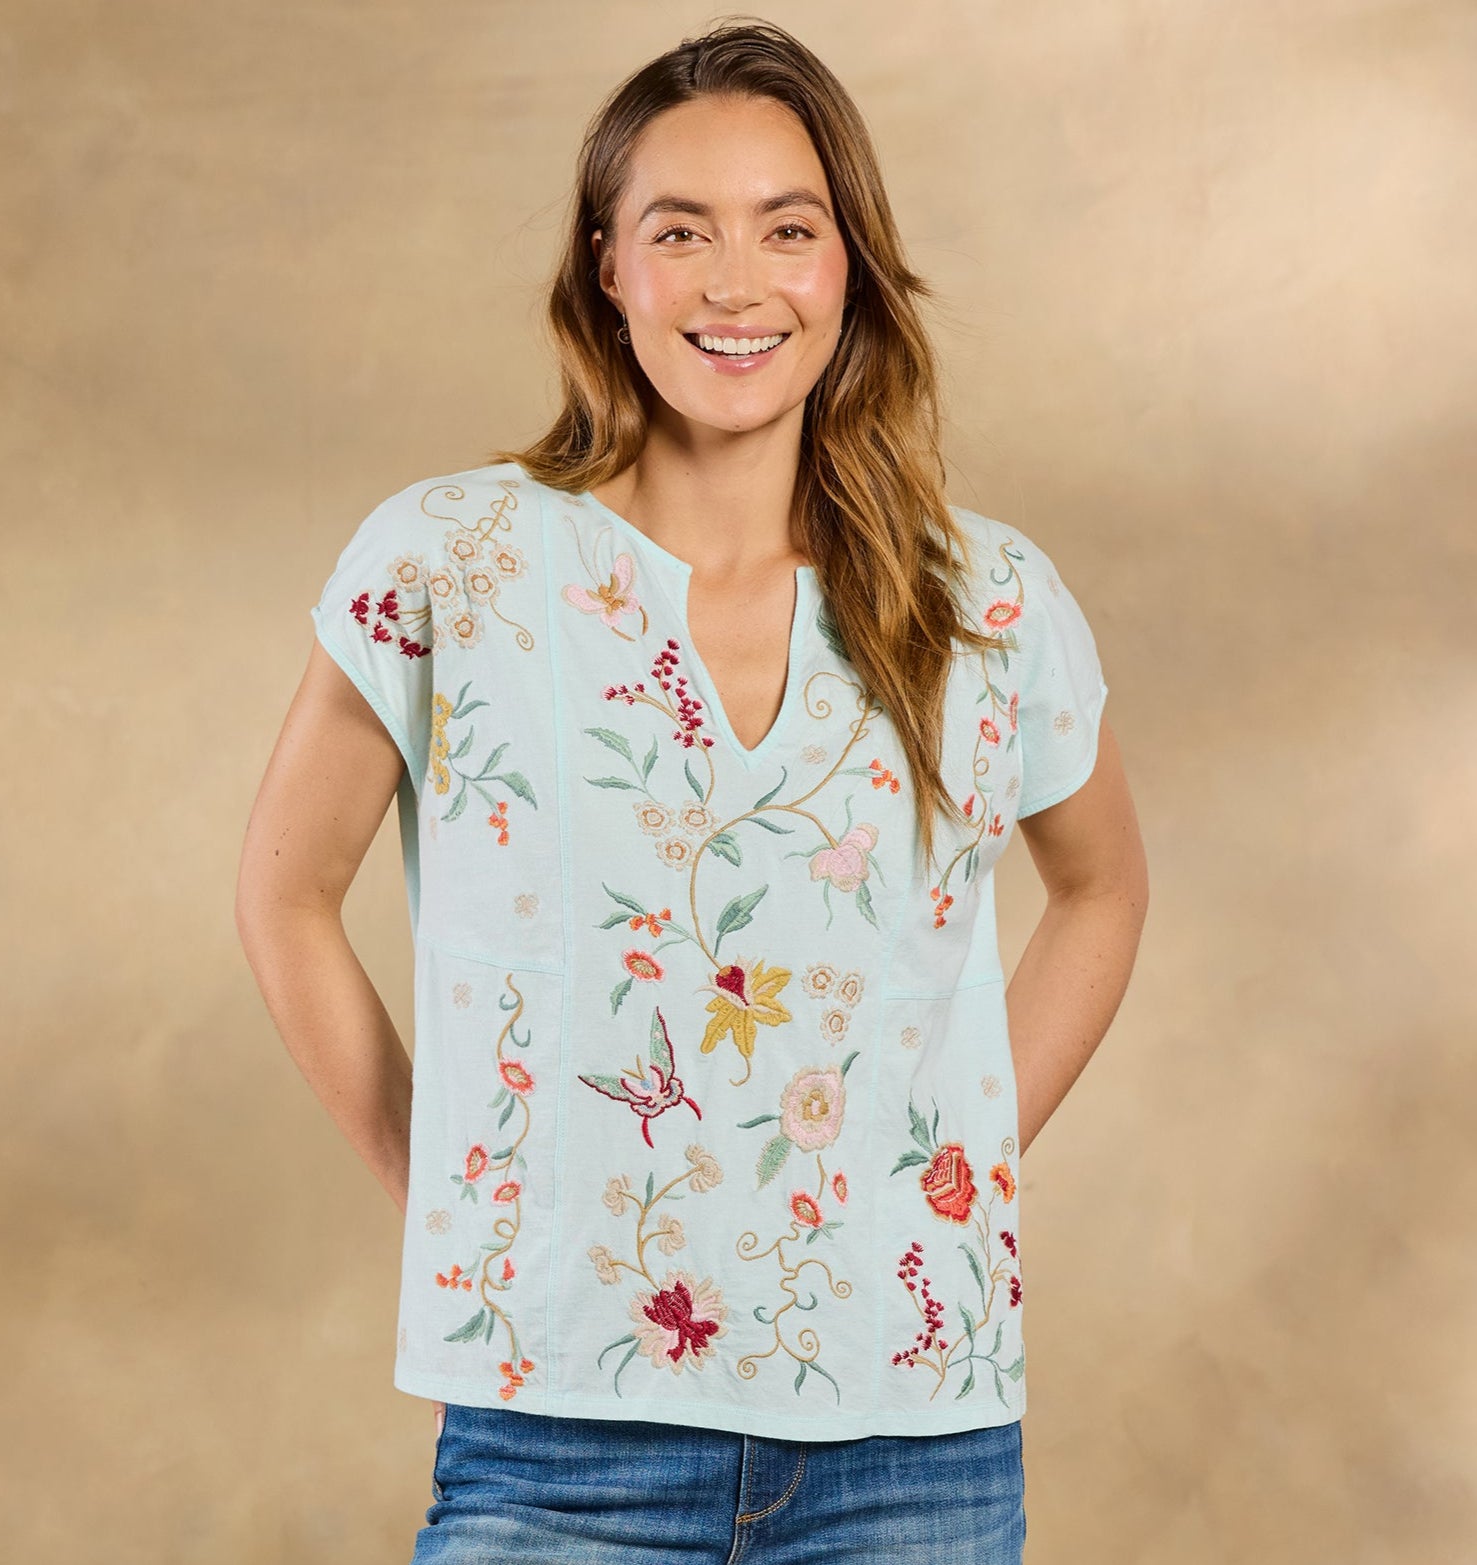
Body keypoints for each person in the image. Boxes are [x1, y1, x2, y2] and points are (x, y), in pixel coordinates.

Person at [236, 17, 1148, 1564]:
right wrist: (442, 1180)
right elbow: (284, 890)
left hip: (911, 1442)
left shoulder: (986, 598)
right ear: (606, 267)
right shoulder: (453, 562)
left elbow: (1103, 886)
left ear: (847, 266)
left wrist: (961, 1166)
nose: (736, 283)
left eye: (787, 229)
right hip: (553, 1439)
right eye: (680, 231)